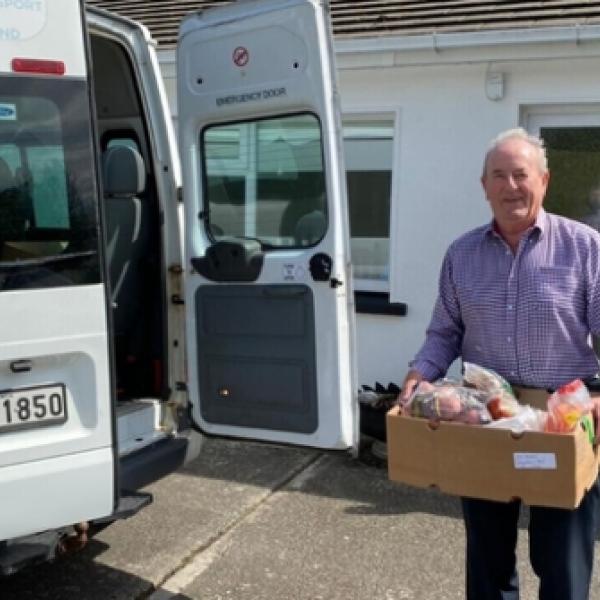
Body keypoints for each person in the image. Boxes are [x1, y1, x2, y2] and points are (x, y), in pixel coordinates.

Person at [400, 127, 600, 600]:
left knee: (564, 562)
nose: (511, 186)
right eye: (499, 176)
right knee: (487, 560)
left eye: (521, 174)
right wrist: (418, 375)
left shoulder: (585, 248)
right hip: (484, 420)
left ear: (544, 181)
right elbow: (444, 333)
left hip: (564, 419)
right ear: (484, 186)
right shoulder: (461, 254)